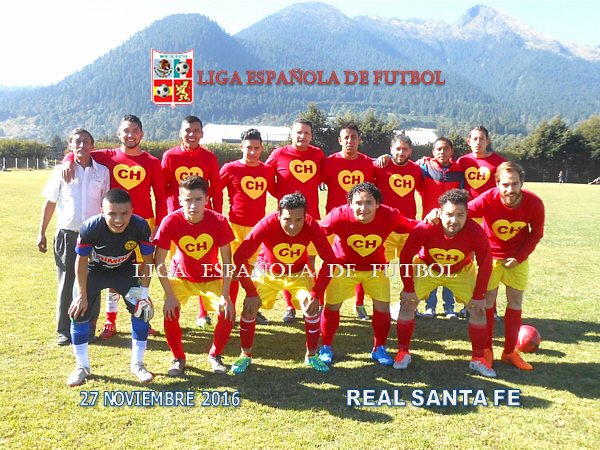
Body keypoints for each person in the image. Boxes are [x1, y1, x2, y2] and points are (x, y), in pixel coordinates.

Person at [62, 115, 166, 339]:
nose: (130, 135)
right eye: (126, 130)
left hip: (143, 224)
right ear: (119, 133)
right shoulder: (107, 156)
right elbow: (81, 151)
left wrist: (159, 224)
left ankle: (141, 314)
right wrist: (68, 159)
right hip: (112, 224)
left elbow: (160, 196)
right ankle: (110, 321)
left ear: (141, 134)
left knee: (140, 272)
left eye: (135, 131)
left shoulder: (152, 161)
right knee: (112, 268)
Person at [232, 193, 337, 373]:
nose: (293, 225)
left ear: (305, 216)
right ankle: (245, 355)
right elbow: (240, 255)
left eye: (298, 220)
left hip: (299, 273)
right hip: (267, 272)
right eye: (287, 219)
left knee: (311, 307)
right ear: (279, 215)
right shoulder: (267, 223)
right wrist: (250, 291)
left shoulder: (311, 225)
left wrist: (316, 293)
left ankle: (311, 355)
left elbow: (330, 260)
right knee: (249, 308)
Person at [397, 189, 495, 377]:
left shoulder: (476, 231)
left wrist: (479, 294)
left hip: (460, 270)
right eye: (449, 214)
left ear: (467, 214)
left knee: (478, 308)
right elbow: (406, 256)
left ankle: (478, 358)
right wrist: (408, 288)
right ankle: (403, 352)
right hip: (428, 268)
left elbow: (485, 263)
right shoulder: (426, 227)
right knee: (408, 303)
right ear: (440, 213)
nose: (454, 220)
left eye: (460, 215)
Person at [318, 182, 417, 366]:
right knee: (332, 306)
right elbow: (316, 231)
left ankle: (379, 348)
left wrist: (433, 219)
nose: (363, 208)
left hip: (375, 269)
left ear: (378, 204)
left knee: (383, 307)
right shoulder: (338, 215)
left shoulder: (390, 215)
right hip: (343, 268)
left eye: (369, 203)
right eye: (358, 203)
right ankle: (326, 346)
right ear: (350, 204)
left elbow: (413, 226)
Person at [66, 189, 155, 386]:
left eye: (124, 214)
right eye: (112, 213)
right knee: (78, 311)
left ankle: (137, 364)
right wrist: (81, 295)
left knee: (142, 311)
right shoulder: (90, 227)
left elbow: (149, 261)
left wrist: (144, 293)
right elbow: (81, 261)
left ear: (132, 211)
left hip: (125, 272)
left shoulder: (141, 226)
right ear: (102, 211)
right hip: (95, 272)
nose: (118, 219)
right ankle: (82, 366)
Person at [153, 175, 235, 376]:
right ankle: (178, 358)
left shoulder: (219, 221)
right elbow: (158, 261)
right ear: (179, 199)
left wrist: (226, 295)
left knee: (227, 312)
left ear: (207, 200)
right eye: (188, 199)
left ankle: (215, 355)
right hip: (181, 277)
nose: (193, 205)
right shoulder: (170, 221)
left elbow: (227, 261)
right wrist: (170, 296)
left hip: (211, 277)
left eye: (198, 199)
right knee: (170, 312)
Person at [468, 162, 545, 371]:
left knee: (515, 301)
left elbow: (536, 234)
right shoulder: (488, 198)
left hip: (517, 259)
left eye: (515, 184)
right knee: (488, 302)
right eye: (505, 184)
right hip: (490, 259)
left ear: (522, 183)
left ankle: (509, 352)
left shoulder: (534, 203)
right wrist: (439, 212)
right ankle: (487, 350)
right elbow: (463, 211)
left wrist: (519, 257)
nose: (510, 189)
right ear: (497, 184)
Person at [38, 128, 110, 345]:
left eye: (86, 142)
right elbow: (50, 202)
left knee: (92, 283)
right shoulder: (61, 170)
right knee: (66, 282)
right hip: (66, 235)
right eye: (77, 142)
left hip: (94, 236)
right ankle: (64, 330)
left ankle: (88, 329)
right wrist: (41, 232)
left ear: (92, 146)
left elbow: (106, 205)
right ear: (70, 146)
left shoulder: (103, 172)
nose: (81, 145)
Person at [161, 116, 223, 332]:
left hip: (205, 222)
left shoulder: (210, 157)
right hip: (177, 223)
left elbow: (216, 191)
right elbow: (162, 188)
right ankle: (174, 307)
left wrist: (217, 218)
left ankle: (203, 313)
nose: (191, 134)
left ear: (202, 134)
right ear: (181, 133)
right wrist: (165, 218)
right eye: (187, 130)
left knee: (205, 264)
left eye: (196, 130)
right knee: (180, 267)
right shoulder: (170, 156)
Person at [266, 118, 324, 323]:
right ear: (291, 133)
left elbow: (323, 177)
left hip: (311, 218)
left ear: (311, 136)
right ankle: (289, 306)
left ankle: (312, 302)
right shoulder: (278, 154)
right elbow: (265, 177)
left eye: (306, 133)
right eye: (299, 132)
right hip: (287, 220)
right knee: (287, 262)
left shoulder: (317, 154)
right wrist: (281, 197)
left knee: (309, 264)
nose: (302, 136)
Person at [220, 129, 275, 325]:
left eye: (256, 148)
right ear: (241, 147)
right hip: (235, 228)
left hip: (259, 230)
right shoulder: (230, 168)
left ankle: (253, 310)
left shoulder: (267, 170)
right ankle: (231, 311)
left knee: (256, 272)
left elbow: (277, 191)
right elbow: (214, 191)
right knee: (235, 272)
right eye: (249, 147)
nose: (252, 152)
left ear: (261, 149)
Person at [321, 122, 375, 320]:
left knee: (361, 261)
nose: (349, 140)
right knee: (329, 262)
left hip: (359, 221)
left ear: (359, 139)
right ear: (339, 140)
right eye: (346, 137)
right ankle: (322, 301)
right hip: (333, 222)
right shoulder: (329, 162)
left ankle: (359, 304)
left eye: (353, 137)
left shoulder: (368, 163)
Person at [457, 126, 506, 320]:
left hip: (490, 218)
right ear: (468, 141)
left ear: (488, 141)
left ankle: (490, 306)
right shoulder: (463, 161)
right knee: (466, 263)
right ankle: (467, 304)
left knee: (489, 263)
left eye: (482, 138)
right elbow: (442, 166)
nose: (478, 142)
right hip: (468, 216)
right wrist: (425, 160)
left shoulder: (499, 162)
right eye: (475, 138)